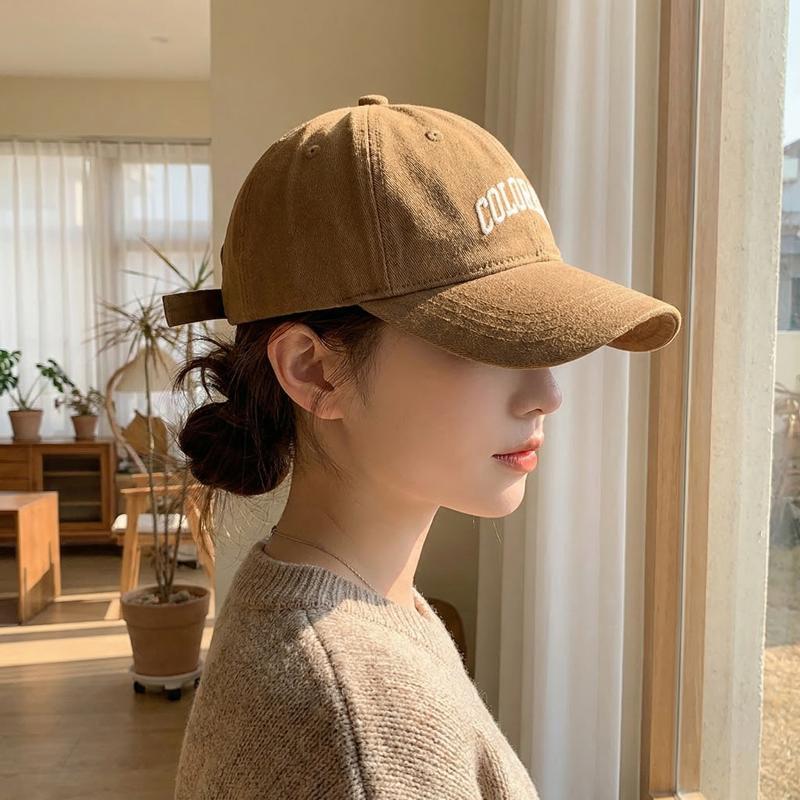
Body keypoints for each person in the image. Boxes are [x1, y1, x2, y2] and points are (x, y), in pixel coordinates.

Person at [163, 94, 682, 799]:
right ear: (315, 370)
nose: (545, 395)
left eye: (542, 341)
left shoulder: (354, 612)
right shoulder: (360, 724)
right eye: (487, 341)